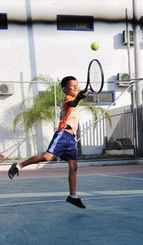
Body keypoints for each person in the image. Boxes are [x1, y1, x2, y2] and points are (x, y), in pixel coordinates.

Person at [8, 76, 87, 209]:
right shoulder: (68, 98)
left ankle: (73, 196)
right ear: (64, 89)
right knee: (47, 157)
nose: (75, 87)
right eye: (72, 85)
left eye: (76, 85)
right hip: (63, 134)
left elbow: (76, 103)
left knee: (73, 166)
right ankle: (18, 165)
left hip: (71, 138)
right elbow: (72, 104)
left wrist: (79, 97)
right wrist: (79, 97)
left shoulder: (75, 98)